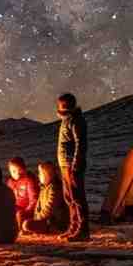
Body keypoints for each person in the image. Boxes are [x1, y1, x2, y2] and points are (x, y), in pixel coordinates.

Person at [56, 92, 89, 241]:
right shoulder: (66, 120)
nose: (59, 107)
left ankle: (83, 230)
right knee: (69, 197)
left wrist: (76, 162)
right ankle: (73, 227)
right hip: (65, 164)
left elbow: (80, 143)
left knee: (77, 197)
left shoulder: (75, 120)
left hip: (72, 165)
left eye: (62, 105)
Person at [22, 162, 70, 236]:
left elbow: (49, 209)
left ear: (48, 175)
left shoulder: (55, 188)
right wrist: (35, 215)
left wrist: (37, 218)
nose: (39, 176)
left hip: (54, 222)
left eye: (40, 174)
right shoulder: (43, 188)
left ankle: (52, 229)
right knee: (23, 219)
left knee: (27, 224)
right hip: (44, 220)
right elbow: (38, 206)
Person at [6, 157, 39, 223]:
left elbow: (34, 200)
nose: (17, 173)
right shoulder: (10, 183)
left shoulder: (29, 181)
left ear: (24, 168)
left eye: (19, 170)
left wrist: (27, 211)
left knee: (19, 215)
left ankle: (20, 231)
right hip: (15, 209)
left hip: (26, 211)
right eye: (14, 171)